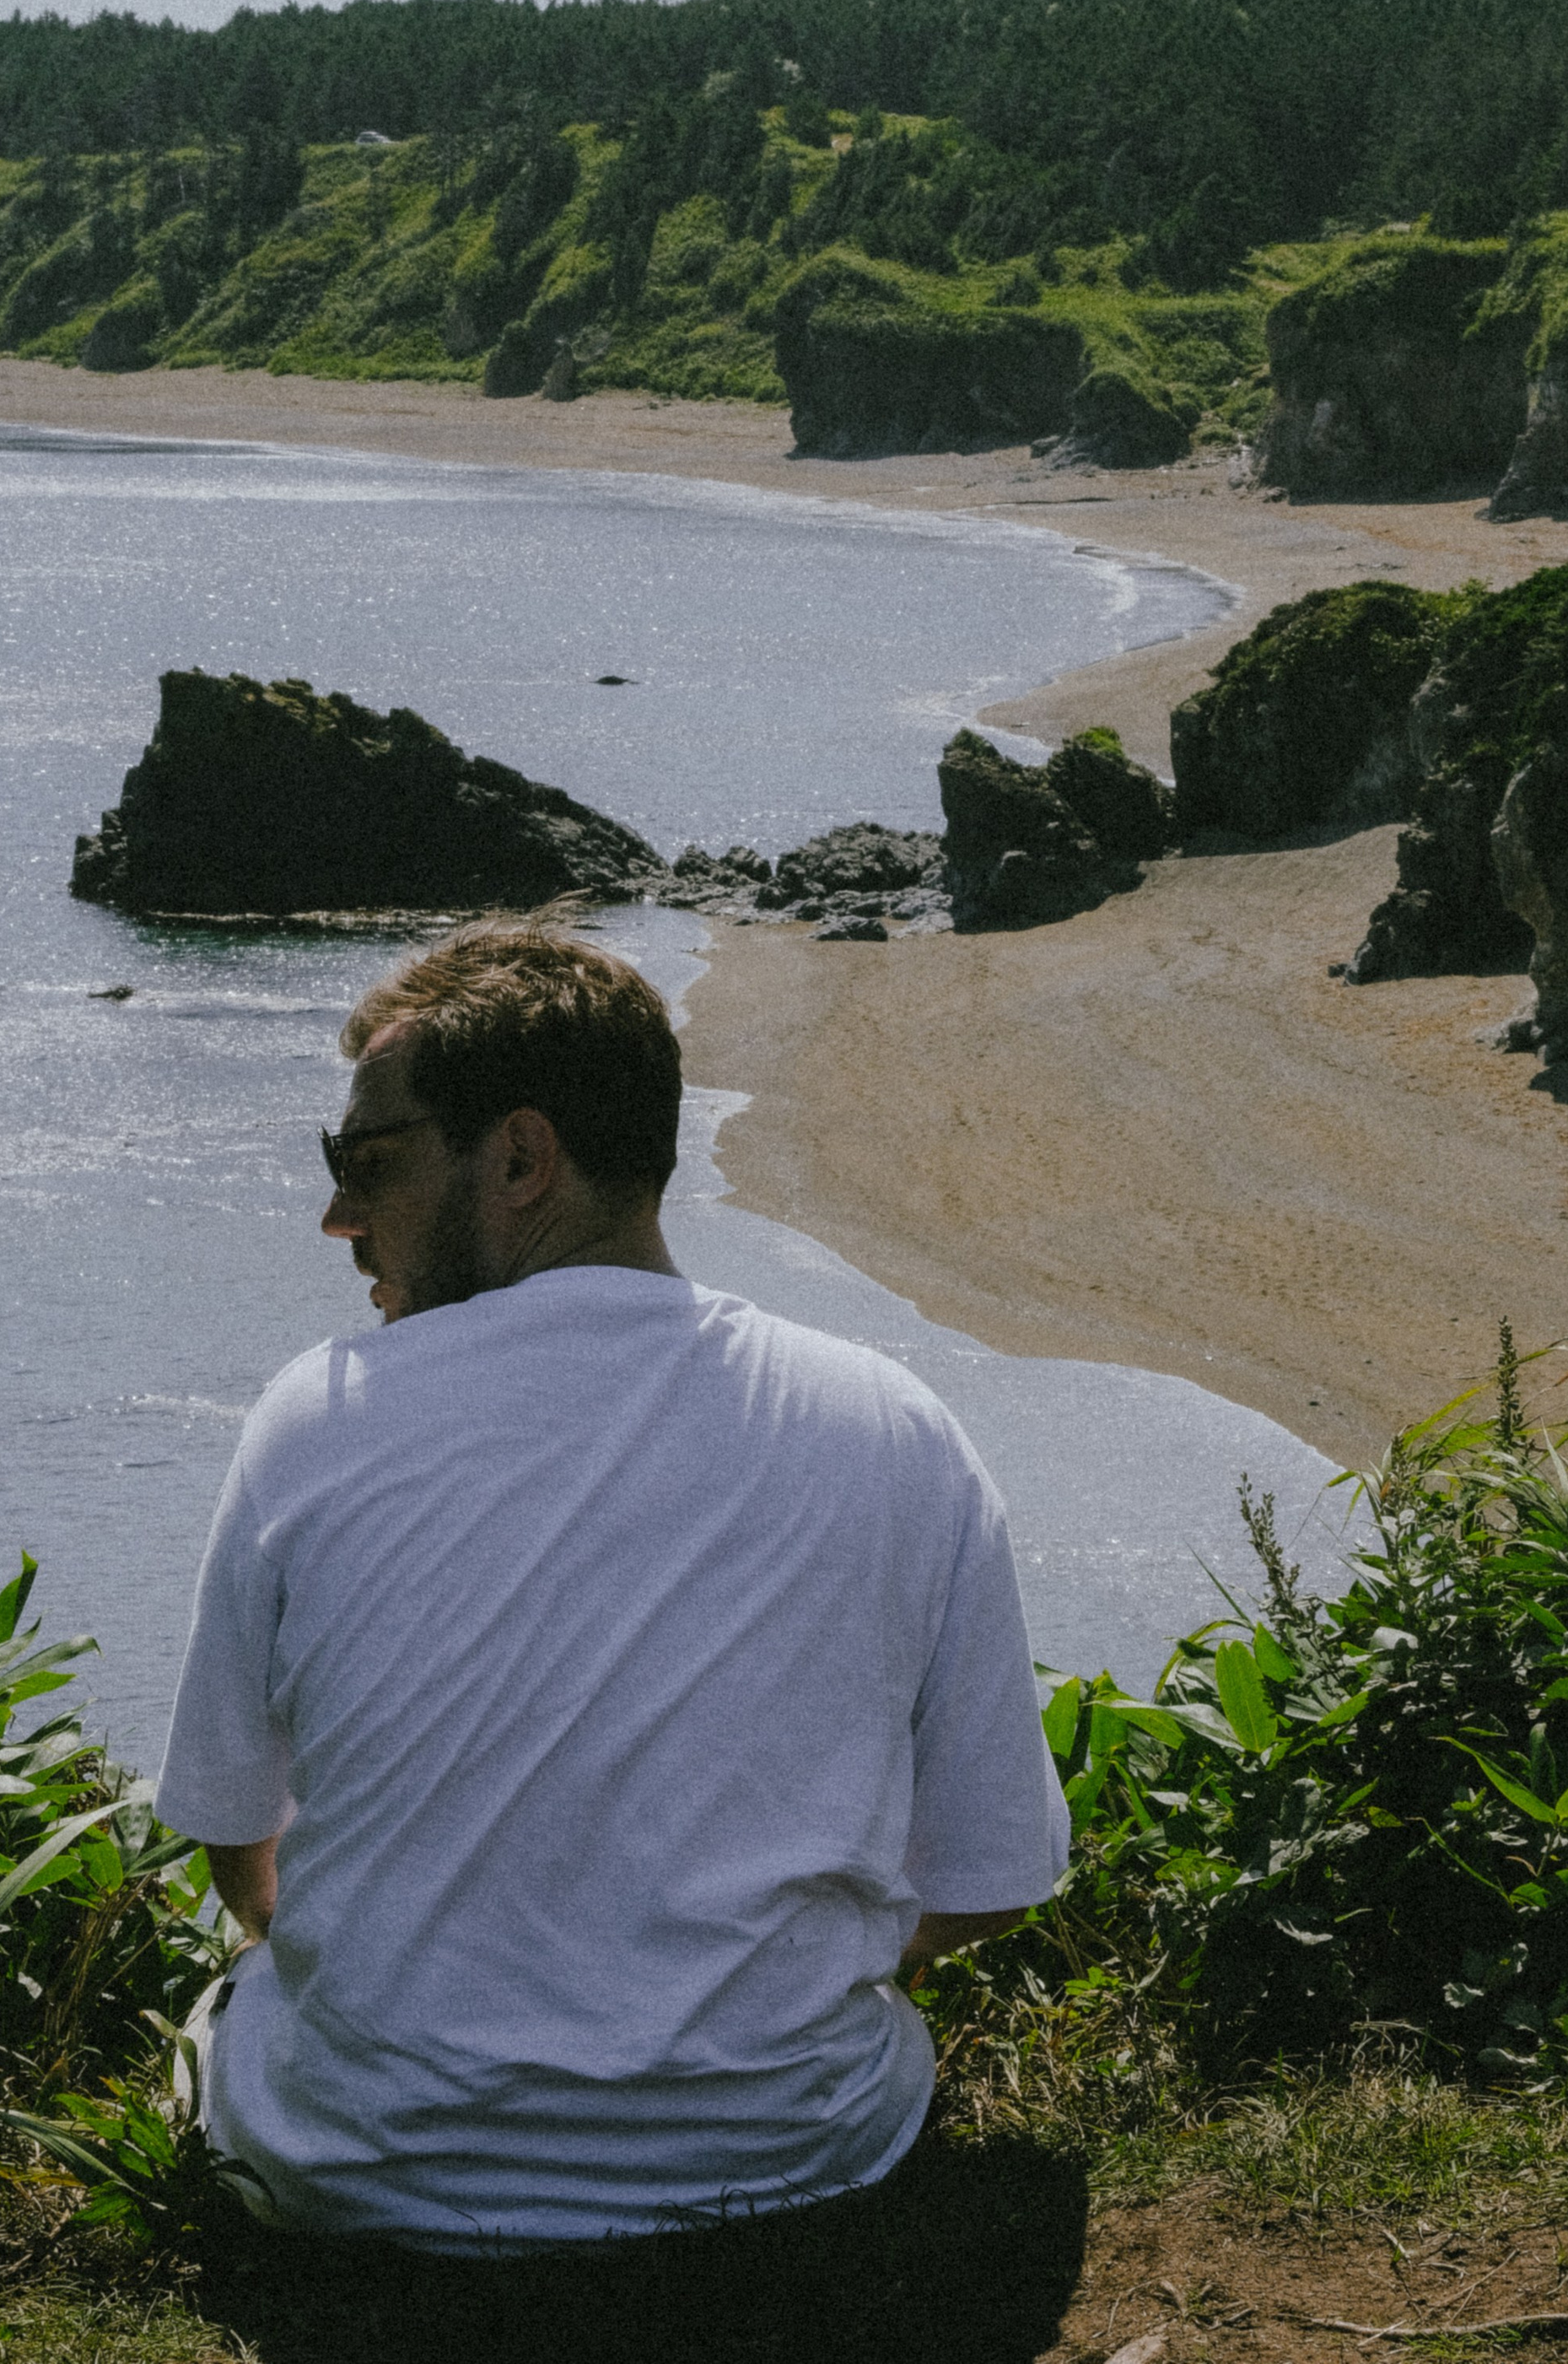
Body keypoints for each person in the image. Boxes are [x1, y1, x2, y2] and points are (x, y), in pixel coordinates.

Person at [154, 922, 1069, 2256]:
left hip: (371, 2171)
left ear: (521, 1158)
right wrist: (735, 2001)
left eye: (369, 1162)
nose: (339, 1217)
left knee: (229, 2009)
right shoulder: (890, 1422)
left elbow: (239, 1845)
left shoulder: (318, 1417)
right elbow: (989, 1880)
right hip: (791, 2158)